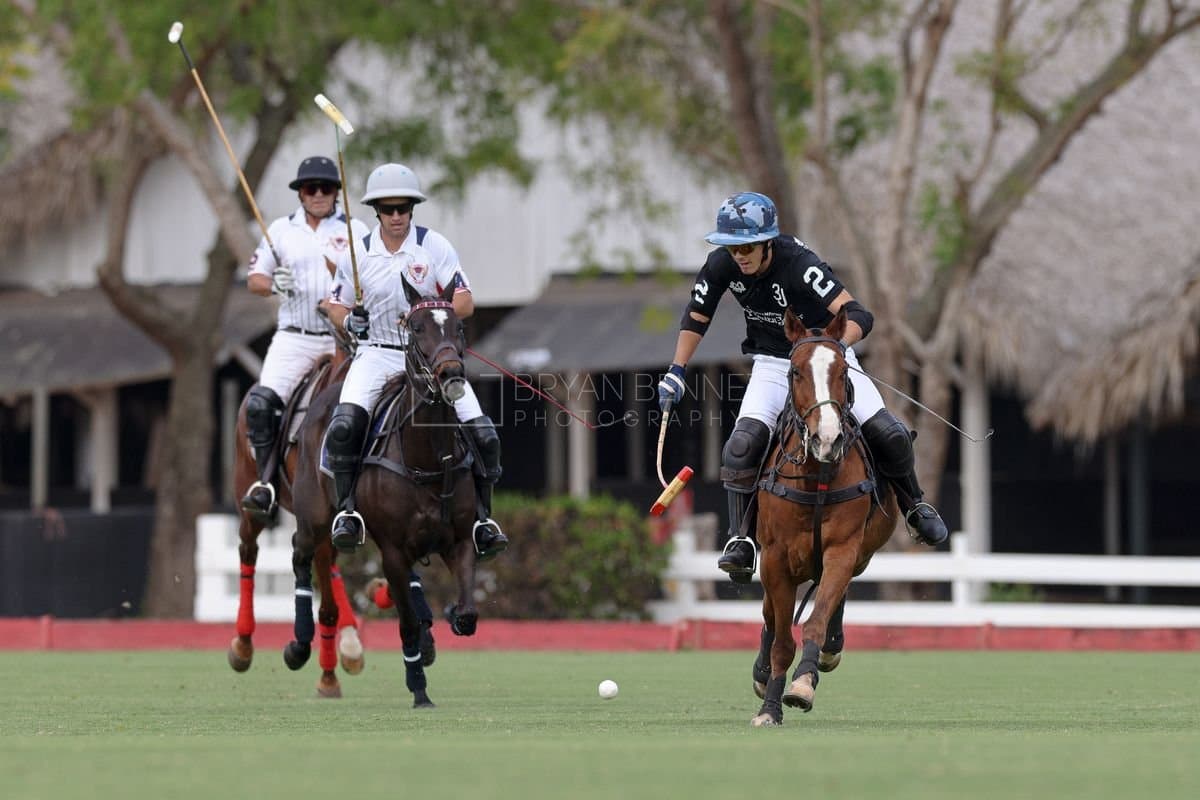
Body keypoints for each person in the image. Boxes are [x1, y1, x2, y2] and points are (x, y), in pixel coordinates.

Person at [658, 191, 948, 583]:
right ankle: (740, 539)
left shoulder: (798, 263)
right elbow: (697, 315)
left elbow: (859, 314)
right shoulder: (721, 265)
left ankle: (915, 506)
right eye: (732, 247)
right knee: (741, 445)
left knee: (889, 432)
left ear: (767, 242)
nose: (739, 256)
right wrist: (677, 369)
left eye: (746, 247)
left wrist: (830, 350)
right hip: (772, 363)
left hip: (824, 359)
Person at [320, 162, 507, 559]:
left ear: (412, 208)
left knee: (484, 434)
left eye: (403, 208)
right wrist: (349, 320)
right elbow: (335, 304)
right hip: (376, 354)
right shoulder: (358, 252)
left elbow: (465, 302)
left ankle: (483, 520)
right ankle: (348, 511)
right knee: (344, 426)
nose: (396, 216)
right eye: (388, 209)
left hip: (427, 359)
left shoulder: (433, 245)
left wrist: (427, 310)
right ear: (376, 211)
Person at [241, 156, 369, 523]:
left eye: (325, 188)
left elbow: (374, 276)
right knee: (261, 405)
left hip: (344, 339)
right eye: (311, 188)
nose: (318, 194)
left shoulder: (356, 230)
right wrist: (273, 284)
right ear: (300, 193)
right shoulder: (281, 230)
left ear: (336, 193)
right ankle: (266, 483)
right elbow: (254, 279)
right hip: (295, 339)